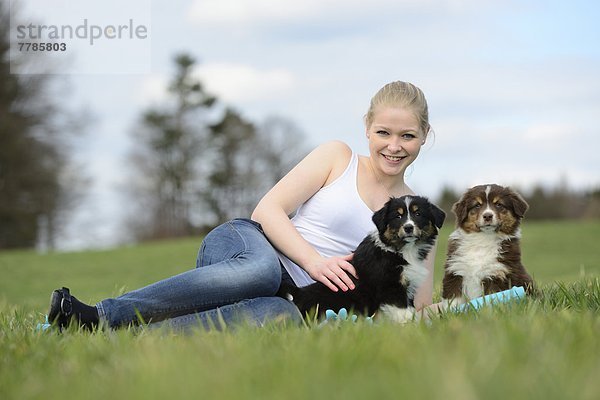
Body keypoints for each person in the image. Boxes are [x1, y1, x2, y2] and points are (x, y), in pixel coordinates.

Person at [47, 80, 437, 331]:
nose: (393, 145)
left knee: (280, 318)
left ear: (424, 137)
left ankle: (117, 335)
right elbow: (266, 212)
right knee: (262, 272)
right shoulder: (338, 157)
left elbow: (416, 308)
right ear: (367, 127)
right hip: (250, 249)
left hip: (296, 299)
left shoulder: (414, 219)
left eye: (408, 136)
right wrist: (315, 262)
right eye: (383, 132)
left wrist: (485, 300)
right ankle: (100, 314)